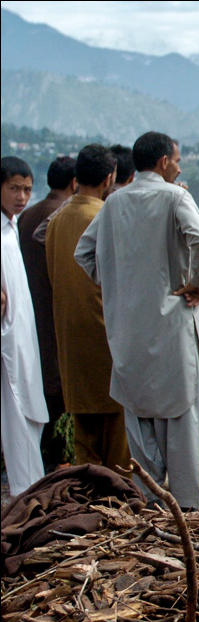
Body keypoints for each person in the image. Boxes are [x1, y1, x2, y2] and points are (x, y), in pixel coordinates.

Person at [74, 131, 199, 510]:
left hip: (127, 333)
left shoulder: (113, 203)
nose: (179, 165)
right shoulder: (176, 197)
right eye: (177, 159)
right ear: (162, 162)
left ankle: (147, 505)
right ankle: (187, 508)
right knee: (183, 420)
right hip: (172, 326)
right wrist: (198, 283)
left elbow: (84, 253)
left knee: (138, 421)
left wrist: (119, 287)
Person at [42, 144, 131, 475]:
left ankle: (91, 508)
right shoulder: (106, 218)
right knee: (118, 446)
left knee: (86, 447)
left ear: (77, 177)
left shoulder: (56, 221)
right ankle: (120, 510)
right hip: (107, 344)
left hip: (71, 346)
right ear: (110, 177)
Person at [16, 156, 76, 471]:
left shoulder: (24, 217)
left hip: (28, 316)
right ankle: (57, 461)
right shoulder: (64, 215)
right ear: (75, 183)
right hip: (56, 316)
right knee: (58, 393)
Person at [1, 156, 47, 497]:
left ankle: (30, 487)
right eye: (14, 188)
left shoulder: (12, 226)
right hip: (8, 337)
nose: (22, 196)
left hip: (21, 335)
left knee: (26, 407)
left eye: (27, 189)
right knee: (15, 410)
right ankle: (24, 490)